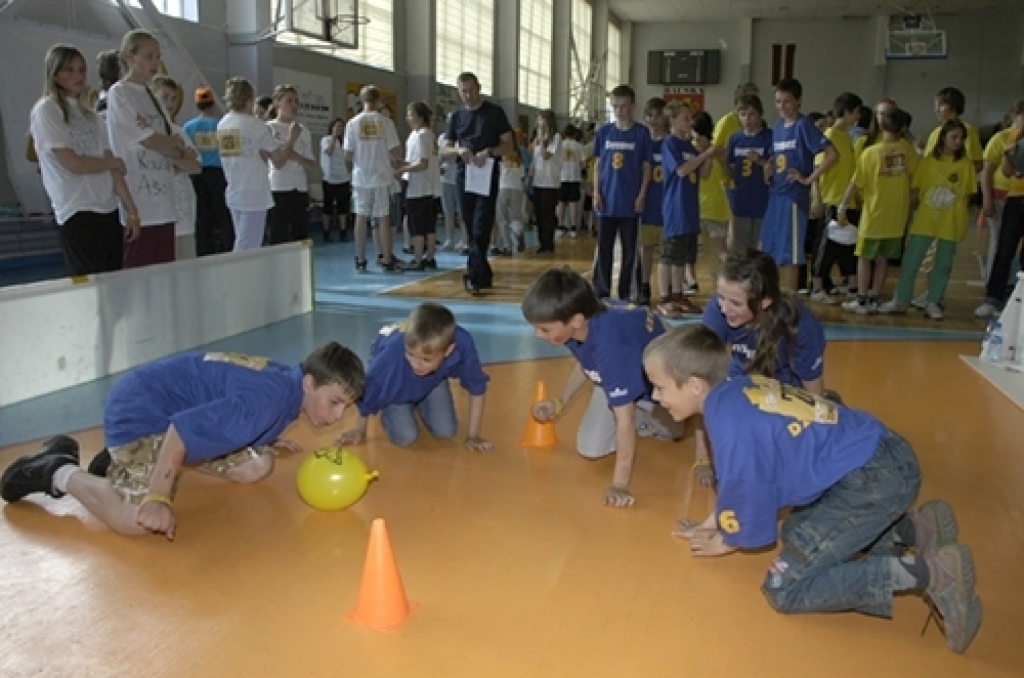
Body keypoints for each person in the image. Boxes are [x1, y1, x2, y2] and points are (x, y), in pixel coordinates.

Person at [642, 323, 982, 655]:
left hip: (875, 481)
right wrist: (708, 524)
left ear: (695, 386)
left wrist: (726, 540)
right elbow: (749, 480)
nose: (656, 397)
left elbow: (748, 490)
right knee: (794, 528)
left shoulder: (730, 426)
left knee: (784, 588)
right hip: (880, 457)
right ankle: (915, 528)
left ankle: (932, 573)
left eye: (660, 387)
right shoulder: (733, 388)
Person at [1, 343, 365, 540]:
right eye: (333, 402)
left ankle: (122, 466)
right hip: (141, 415)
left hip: (168, 406)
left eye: (344, 408)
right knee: (137, 522)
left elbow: (225, 404)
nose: (336, 417)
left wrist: (265, 437)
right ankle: (58, 469)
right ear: (308, 383)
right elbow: (182, 430)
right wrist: (158, 497)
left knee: (257, 465)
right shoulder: (264, 404)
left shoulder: (285, 386)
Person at [522, 269, 683, 508]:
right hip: (623, 367)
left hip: (661, 370)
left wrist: (620, 483)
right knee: (590, 447)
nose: (538, 335)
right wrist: (560, 401)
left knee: (673, 431)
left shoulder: (610, 349)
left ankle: (640, 404)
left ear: (576, 320)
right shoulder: (576, 326)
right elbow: (587, 362)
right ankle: (632, 401)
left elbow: (624, 423)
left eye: (544, 329)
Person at [691, 248, 825, 490]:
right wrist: (703, 457)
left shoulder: (800, 325)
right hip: (741, 373)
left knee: (780, 452)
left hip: (785, 384)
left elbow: (813, 393)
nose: (724, 308)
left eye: (735, 303)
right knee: (716, 394)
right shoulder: (719, 311)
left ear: (764, 302)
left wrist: (816, 446)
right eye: (720, 297)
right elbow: (702, 382)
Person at [30, 43, 140, 276]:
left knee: (113, 278)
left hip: (106, 207)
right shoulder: (47, 110)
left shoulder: (92, 116)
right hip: (76, 209)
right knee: (88, 281)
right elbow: (73, 163)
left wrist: (131, 209)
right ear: (55, 74)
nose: (78, 76)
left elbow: (113, 166)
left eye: (81, 70)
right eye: (69, 70)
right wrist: (110, 163)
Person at [336, 303, 493, 452]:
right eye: (410, 354)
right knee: (406, 437)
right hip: (396, 385)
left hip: (432, 379)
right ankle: (390, 406)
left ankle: (420, 395)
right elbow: (369, 389)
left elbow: (477, 386)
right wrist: (360, 429)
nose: (416, 365)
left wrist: (474, 435)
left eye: (426, 359)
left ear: (448, 350)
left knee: (446, 431)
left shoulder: (462, 343)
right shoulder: (392, 355)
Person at [106, 29, 191, 268]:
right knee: (139, 276)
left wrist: (167, 143)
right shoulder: (120, 93)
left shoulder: (152, 99)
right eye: (149, 56)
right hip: (140, 201)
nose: (155, 63)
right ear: (130, 56)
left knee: (165, 276)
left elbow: (175, 144)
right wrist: (162, 141)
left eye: (157, 56)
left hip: (164, 203)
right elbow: (148, 140)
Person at [880, 120, 976, 319]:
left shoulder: (965, 165)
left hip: (950, 222)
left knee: (943, 264)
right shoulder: (927, 162)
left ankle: (933, 302)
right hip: (925, 221)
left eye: (961, 138)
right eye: (954, 137)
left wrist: (961, 222)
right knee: (912, 261)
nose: (958, 142)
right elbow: (916, 191)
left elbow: (967, 195)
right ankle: (901, 299)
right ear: (943, 138)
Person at [840, 108, 918, 315]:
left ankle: (862, 299)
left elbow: (855, 182)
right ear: (903, 127)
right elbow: (915, 179)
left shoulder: (870, 153)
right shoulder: (907, 151)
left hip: (874, 214)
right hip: (896, 216)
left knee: (865, 257)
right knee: (884, 257)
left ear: (881, 126)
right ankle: (875, 296)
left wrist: (842, 205)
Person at [442, 72, 515, 293]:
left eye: (471, 90)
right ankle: (483, 273)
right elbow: (445, 149)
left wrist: (490, 152)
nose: (468, 95)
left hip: (487, 174)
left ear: (479, 88)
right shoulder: (456, 116)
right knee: (469, 224)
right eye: (463, 91)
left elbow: (509, 146)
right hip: (464, 175)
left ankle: (473, 275)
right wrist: (458, 149)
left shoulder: (494, 113)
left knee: (481, 224)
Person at [762, 78, 837, 292]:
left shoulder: (804, 125)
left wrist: (809, 179)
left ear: (798, 101)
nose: (782, 106)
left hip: (793, 197)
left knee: (790, 254)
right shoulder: (776, 127)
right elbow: (779, 156)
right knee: (771, 249)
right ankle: (774, 297)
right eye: (778, 101)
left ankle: (792, 301)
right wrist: (769, 167)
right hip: (775, 194)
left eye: (787, 101)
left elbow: (832, 154)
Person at [216, 77, 299, 252]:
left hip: (234, 191)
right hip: (253, 193)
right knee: (248, 247)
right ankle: (238, 278)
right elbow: (279, 161)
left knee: (242, 240)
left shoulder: (223, 123)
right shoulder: (255, 125)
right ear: (250, 100)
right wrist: (290, 140)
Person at [592, 84, 652, 301]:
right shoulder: (604, 132)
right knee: (603, 249)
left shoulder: (641, 133)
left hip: (630, 202)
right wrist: (596, 192)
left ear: (633, 106)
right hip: (607, 201)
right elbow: (598, 165)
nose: (619, 111)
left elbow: (647, 167)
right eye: (615, 106)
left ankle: (628, 292)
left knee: (630, 251)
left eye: (624, 106)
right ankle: (601, 291)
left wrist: (642, 194)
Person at [658, 100, 715, 318]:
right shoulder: (670, 143)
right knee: (669, 254)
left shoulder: (690, 146)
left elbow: (704, 173)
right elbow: (681, 171)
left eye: (691, 118)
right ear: (672, 120)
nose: (690, 122)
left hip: (690, 207)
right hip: (675, 207)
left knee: (684, 255)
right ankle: (665, 297)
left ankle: (678, 294)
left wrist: (706, 151)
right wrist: (704, 155)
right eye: (685, 118)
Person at [809, 92, 863, 303]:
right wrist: (817, 198)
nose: (858, 117)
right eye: (856, 112)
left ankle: (851, 284)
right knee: (826, 246)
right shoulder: (829, 136)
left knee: (846, 245)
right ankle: (817, 287)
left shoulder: (847, 137)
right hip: (831, 199)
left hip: (845, 200)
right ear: (847, 112)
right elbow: (817, 168)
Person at [344, 85, 403, 273]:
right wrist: (396, 160)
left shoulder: (352, 123)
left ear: (361, 101)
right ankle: (386, 259)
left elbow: (347, 154)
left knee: (361, 217)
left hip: (361, 178)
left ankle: (360, 260)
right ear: (378, 102)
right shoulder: (386, 122)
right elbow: (395, 151)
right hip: (382, 177)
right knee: (383, 217)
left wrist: (362, 158)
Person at [152, 74, 202, 260]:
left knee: (187, 264)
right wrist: (179, 158)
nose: (170, 103)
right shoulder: (147, 131)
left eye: (173, 98)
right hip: (160, 212)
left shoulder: (178, 131)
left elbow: (196, 166)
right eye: (164, 97)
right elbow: (156, 165)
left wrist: (174, 160)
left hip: (185, 213)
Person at [183, 86, 235, 254]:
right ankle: (228, 248)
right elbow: (232, 153)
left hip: (197, 174)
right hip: (220, 174)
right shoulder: (223, 126)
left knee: (202, 214)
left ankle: (203, 251)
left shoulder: (188, 127)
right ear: (213, 104)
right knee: (224, 214)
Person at [266, 84, 314, 245]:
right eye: (289, 101)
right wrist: (291, 140)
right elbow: (277, 162)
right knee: (278, 234)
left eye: (296, 102)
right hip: (279, 188)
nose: (294, 106)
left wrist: (295, 156)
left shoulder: (303, 130)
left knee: (300, 235)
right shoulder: (269, 128)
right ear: (277, 103)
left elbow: (310, 162)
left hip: (299, 188)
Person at [723, 94, 772, 253]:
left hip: (763, 200)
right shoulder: (735, 139)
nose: (747, 119)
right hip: (741, 201)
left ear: (760, 114)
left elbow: (776, 168)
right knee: (741, 249)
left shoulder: (769, 137)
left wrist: (760, 160)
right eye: (743, 114)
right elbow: (730, 171)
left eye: (752, 114)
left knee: (762, 248)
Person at [396, 101, 440, 271]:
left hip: (418, 187)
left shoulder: (422, 135)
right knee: (428, 225)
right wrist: (404, 163)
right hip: (427, 187)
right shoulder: (426, 135)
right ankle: (429, 257)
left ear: (420, 117)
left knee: (417, 226)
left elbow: (423, 163)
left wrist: (403, 169)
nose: (407, 118)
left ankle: (418, 260)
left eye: (411, 114)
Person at [638, 97, 669, 307]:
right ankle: (644, 286)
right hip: (648, 202)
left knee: (667, 252)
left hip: (668, 204)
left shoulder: (673, 142)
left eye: (658, 115)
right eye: (649, 115)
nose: (654, 119)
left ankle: (667, 292)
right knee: (646, 248)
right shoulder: (644, 142)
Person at [693, 110, 731, 264]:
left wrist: (721, 158)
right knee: (690, 251)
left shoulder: (717, 150)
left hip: (716, 208)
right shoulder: (691, 149)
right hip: (696, 207)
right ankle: (690, 280)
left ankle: (729, 279)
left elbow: (724, 175)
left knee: (721, 251)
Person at [526, 109, 562, 255]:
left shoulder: (556, 137)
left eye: (541, 119)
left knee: (548, 214)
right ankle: (542, 243)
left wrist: (541, 139)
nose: (538, 122)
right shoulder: (537, 138)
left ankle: (548, 244)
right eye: (538, 119)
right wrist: (529, 177)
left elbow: (545, 155)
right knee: (539, 214)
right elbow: (535, 160)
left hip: (550, 182)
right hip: (538, 181)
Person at [319, 116, 352, 243]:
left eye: (341, 127)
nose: (340, 129)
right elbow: (329, 152)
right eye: (337, 126)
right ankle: (326, 232)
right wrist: (333, 137)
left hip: (343, 178)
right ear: (332, 127)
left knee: (342, 207)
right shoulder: (326, 140)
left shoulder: (343, 142)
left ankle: (343, 232)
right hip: (329, 179)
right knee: (327, 207)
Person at [558, 124, 585, 238]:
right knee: (573, 203)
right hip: (574, 177)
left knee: (561, 202)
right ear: (574, 134)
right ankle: (573, 227)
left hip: (562, 177)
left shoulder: (560, 145)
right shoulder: (579, 146)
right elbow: (583, 164)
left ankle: (560, 226)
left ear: (564, 134)